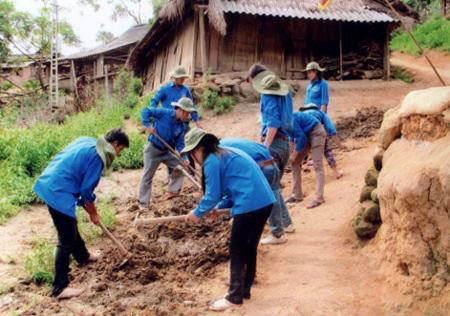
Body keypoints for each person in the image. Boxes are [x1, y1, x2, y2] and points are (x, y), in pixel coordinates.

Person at [183, 128, 275, 311]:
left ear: (198, 149)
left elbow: (212, 194)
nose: (194, 159)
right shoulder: (225, 153)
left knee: (237, 248)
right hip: (264, 201)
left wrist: (197, 212)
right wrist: (219, 207)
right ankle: (244, 291)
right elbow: (234, 186)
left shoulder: (211, 161)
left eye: (192, 154)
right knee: (249, 248)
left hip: (250, 204)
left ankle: (234, 297)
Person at [33, 128, 129, 299]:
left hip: (50, 181)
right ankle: (59, 288)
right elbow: (86, 191)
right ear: (114, 144)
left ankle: (83, 257)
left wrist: (89, 207)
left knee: (70, 225)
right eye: (120, 149)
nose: (119, 154)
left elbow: (78, 177)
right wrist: (93, 213)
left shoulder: (88, 141)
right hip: (58, 190)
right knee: (66, 238)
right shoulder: (97, 158)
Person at [247, 64, 294, 244]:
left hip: (273, 144)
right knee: (274, 186)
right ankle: (286, 223)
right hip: (285, 144)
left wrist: (264, 147)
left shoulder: (268, 94)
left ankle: (277, 233)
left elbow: (273, 123)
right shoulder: (285, 92)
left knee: (268, 189)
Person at [220, 138, 295, 243]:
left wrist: (222, 204)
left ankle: (278, 235)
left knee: (270, 199)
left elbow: (232, 183)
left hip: (263, 167)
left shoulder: (220, 152)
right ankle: (287, 224)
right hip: (272, 163)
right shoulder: (228, 142)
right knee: (276, 193)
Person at [138, 97, 195, 206]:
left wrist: (185, 158)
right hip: (153, 149)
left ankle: (173, 191)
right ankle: (143, 203)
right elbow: (145, 111)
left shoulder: (182, 126)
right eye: (187, 113)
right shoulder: (164, 113)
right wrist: (148, 125)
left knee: (181, 165)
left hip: (166, 152)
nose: (188, 116)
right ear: (181, 110)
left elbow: (180, 144)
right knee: (147, 176)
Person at [149, 65, 202, 180]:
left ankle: (191, 172)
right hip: (168, 123)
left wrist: (196, 121)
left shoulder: (185, 90)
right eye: (180, 78)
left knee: (187, 146)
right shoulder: (165, 89)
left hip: (183, 123)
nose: (182, 80)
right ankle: (171, 175)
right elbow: (154, 101)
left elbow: (191, 105)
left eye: (183, 78)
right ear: (175, 78)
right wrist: (154, 117)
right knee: (171, 151)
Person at [303, 61, 343, 179]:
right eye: (307, 72)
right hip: (307, 116)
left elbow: (324, 102)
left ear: (316, 72)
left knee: (324, 144)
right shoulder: (309, 85)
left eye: (310, 72)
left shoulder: (323, 84)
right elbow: (306, 102)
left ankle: (335, 171)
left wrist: (321, 119)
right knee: (307, 141)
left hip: (318, 117)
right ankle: (309, 160)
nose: (308, 74)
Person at [288, 111, 327, 209]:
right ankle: (297, 195)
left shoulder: (289, 119)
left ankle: (319, 197)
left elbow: (300, 139)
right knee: (295, 163)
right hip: (306, 134)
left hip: (316, 132)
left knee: (317, 165)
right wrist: (291, 154)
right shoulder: (282, 123)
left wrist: (294, 155)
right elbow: (292, 139)